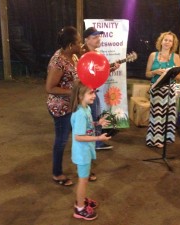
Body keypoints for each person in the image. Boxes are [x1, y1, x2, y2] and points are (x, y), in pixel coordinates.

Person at [70, 80, 111, 220]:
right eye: (91, 92)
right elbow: (79, 137)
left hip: (85, 151)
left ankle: (82, 200)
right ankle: (80, 208)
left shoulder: (86, 108)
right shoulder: (80, 113)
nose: (94, 95)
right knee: (83, 180)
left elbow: (87, 126)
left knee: (85, 178)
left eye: (94, 92)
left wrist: (97, 123)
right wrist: (98, 138)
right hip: (82, 153)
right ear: (81, 95)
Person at [46, 26, 81, 186]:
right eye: (78, 42)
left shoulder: (72, 56)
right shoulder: (58, 61)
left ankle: (82, 166)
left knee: (78, 135)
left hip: (71, 105)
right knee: (61, 140)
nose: (80, 45)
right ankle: (57, 173)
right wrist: (73, 91)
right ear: (70, 45)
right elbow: (50, 88)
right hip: (60, 107)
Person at [81, 27, 120, 150]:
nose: (98, 39)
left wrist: (110, 69)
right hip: (84, 92)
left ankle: (96, 142)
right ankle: (94, 143)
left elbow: (96, 73)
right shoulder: (82, 54)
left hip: (91, 91)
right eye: (94, 37)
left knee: (95, 115)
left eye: (99, 36)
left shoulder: (97, 54)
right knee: (92, 116)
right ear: (86, 39)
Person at [145, 31, 180, 148]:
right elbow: (147, 74)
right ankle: (155, 139)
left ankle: (166, 137)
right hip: (156, 89)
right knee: (156, 115)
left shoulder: (176, 57)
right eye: (165, 40)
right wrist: (155, 72)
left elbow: (179, 77)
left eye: (170, 41)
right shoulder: (153, 55)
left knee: (168, 115)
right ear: (161, 41)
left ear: (173, 44)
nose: (167, 42)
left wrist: (169, 73)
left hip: (169, 90)